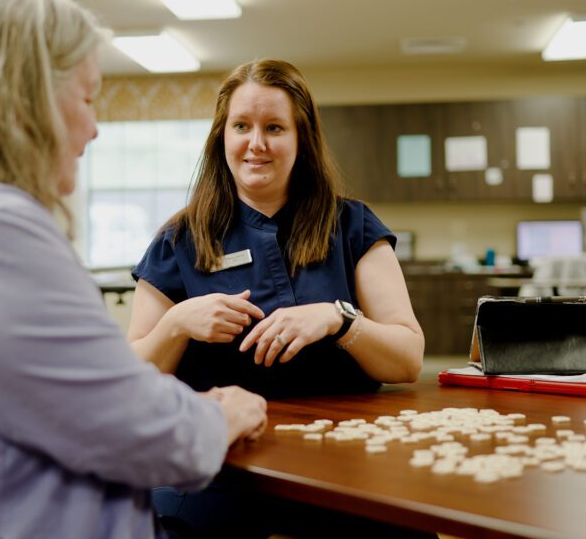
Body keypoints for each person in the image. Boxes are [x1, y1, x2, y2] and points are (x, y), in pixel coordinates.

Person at [0, 0, 266, 539]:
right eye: (87, 98)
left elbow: (90, 387)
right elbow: (137, 434)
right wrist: (221, 414)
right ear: (27, 96)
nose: (93, 128)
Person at [127, 59, 425, 537]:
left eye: (274, 128)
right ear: (221, 137)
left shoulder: (353, 226)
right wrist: (176, 323)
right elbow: (132, 376)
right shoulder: (179, 240)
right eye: (241, 126)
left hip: (343, 455)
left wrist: (339, 320)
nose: (256, 143)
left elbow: (408, 358)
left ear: (301, 138)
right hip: (220, 460)